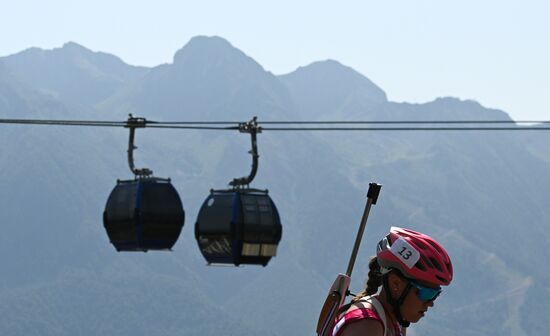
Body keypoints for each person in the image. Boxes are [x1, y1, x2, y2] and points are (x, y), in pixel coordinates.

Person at [332, 227, 453, 336]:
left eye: (435, 294)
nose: (430, 303)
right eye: (427, 293)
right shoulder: (368, 326)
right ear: (396, 284)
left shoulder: (393, 319)